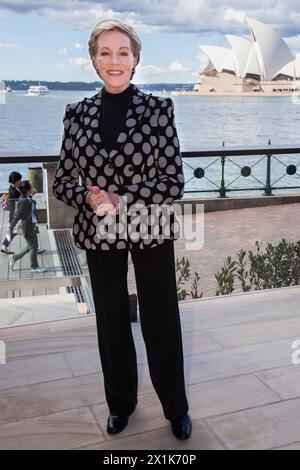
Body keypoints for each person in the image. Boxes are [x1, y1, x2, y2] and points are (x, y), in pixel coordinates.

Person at [52, 19, 191, 440]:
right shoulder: (76, 115)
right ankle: (121, 404)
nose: (115, 60)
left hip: (150, 225)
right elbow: (62, 182)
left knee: (161, 317)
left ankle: (176, 408)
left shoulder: (158, 109)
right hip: (99, 232)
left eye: (123, 52)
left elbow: (173, 181)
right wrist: (90, 199)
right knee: (110, 321)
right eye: (106, 52)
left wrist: (122, 198)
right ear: (94, 60)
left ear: (136, 60)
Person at [1, 171, 46, 255]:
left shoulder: (13, 188)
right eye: (19, 179)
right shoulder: (14, 191)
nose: (21, 181)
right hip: (20, 215)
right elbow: (24, 202)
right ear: (16, 180)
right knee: (30, 231)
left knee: (15, 232)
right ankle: (35, 248)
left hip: (15, 214)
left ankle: (4, 246)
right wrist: (32, 193)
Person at [9, 180, 47, 273]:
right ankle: (34, 267)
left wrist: (31, 194)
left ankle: (14, 257)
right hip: (27, 226)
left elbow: (29, 202)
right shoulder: (23, 201)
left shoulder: (25, 198)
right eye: (31, 186)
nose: (32, 186)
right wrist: (10, 226)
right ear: (27, 189)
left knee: (31, 245)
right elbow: (17, 215)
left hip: (31, 224)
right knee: (34, 246)